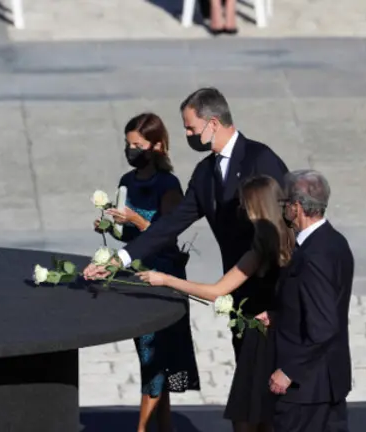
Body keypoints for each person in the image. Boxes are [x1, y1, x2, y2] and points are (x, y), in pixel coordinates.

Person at [84, 87, 288, 361]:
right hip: (237, 291)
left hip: (274, 290)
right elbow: (170, 224)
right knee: (248, 373)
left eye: (191, 129)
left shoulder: (260, 159)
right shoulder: (205, 173)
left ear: (213, 123)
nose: (187, 135)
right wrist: (119, 259)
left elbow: (288, 224)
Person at [137, 175, 295, 432]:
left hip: (261, 342)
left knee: (246, 418)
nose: (242, 211)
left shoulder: (258, 251)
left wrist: (166, 279)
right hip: (285, 340)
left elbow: (215, 292)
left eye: (245, 205)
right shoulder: (294, 243)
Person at [99, 113, 200, 432]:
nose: (131, 151)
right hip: (135, 277)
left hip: (162, 277)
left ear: (156, 146)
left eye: (137, 145)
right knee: (151, 358)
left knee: (156, 355)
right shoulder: (126, 182)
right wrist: (110, 225)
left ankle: (143, 429)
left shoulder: (168, 185)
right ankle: (164, 426)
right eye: (128, 145)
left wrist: (136, 221)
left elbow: (166, 234)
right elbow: (126, 237)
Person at [270, 169, 354, 432]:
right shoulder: (334, 241)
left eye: (284, 204)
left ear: (296, 207)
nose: (283, 210)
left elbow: (324, 324)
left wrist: (288, 371)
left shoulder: (313, 256)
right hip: (327, 382)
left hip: (306, 389)